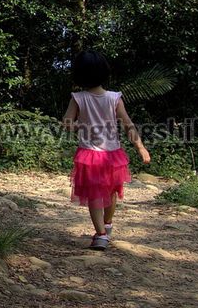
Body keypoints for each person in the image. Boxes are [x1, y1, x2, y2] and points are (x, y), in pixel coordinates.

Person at [61, 51, 151, 250]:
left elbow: (67, 123)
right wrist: (141, 147)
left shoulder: (78, 98)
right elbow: (128, 125)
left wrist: (81, 126)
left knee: (95, 195)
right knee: (112, 191)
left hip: (89, 155)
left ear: (79, 74)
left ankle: (101, 234)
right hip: (113, 154)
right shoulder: (114, 98)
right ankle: (106, 226)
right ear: (105, 72)